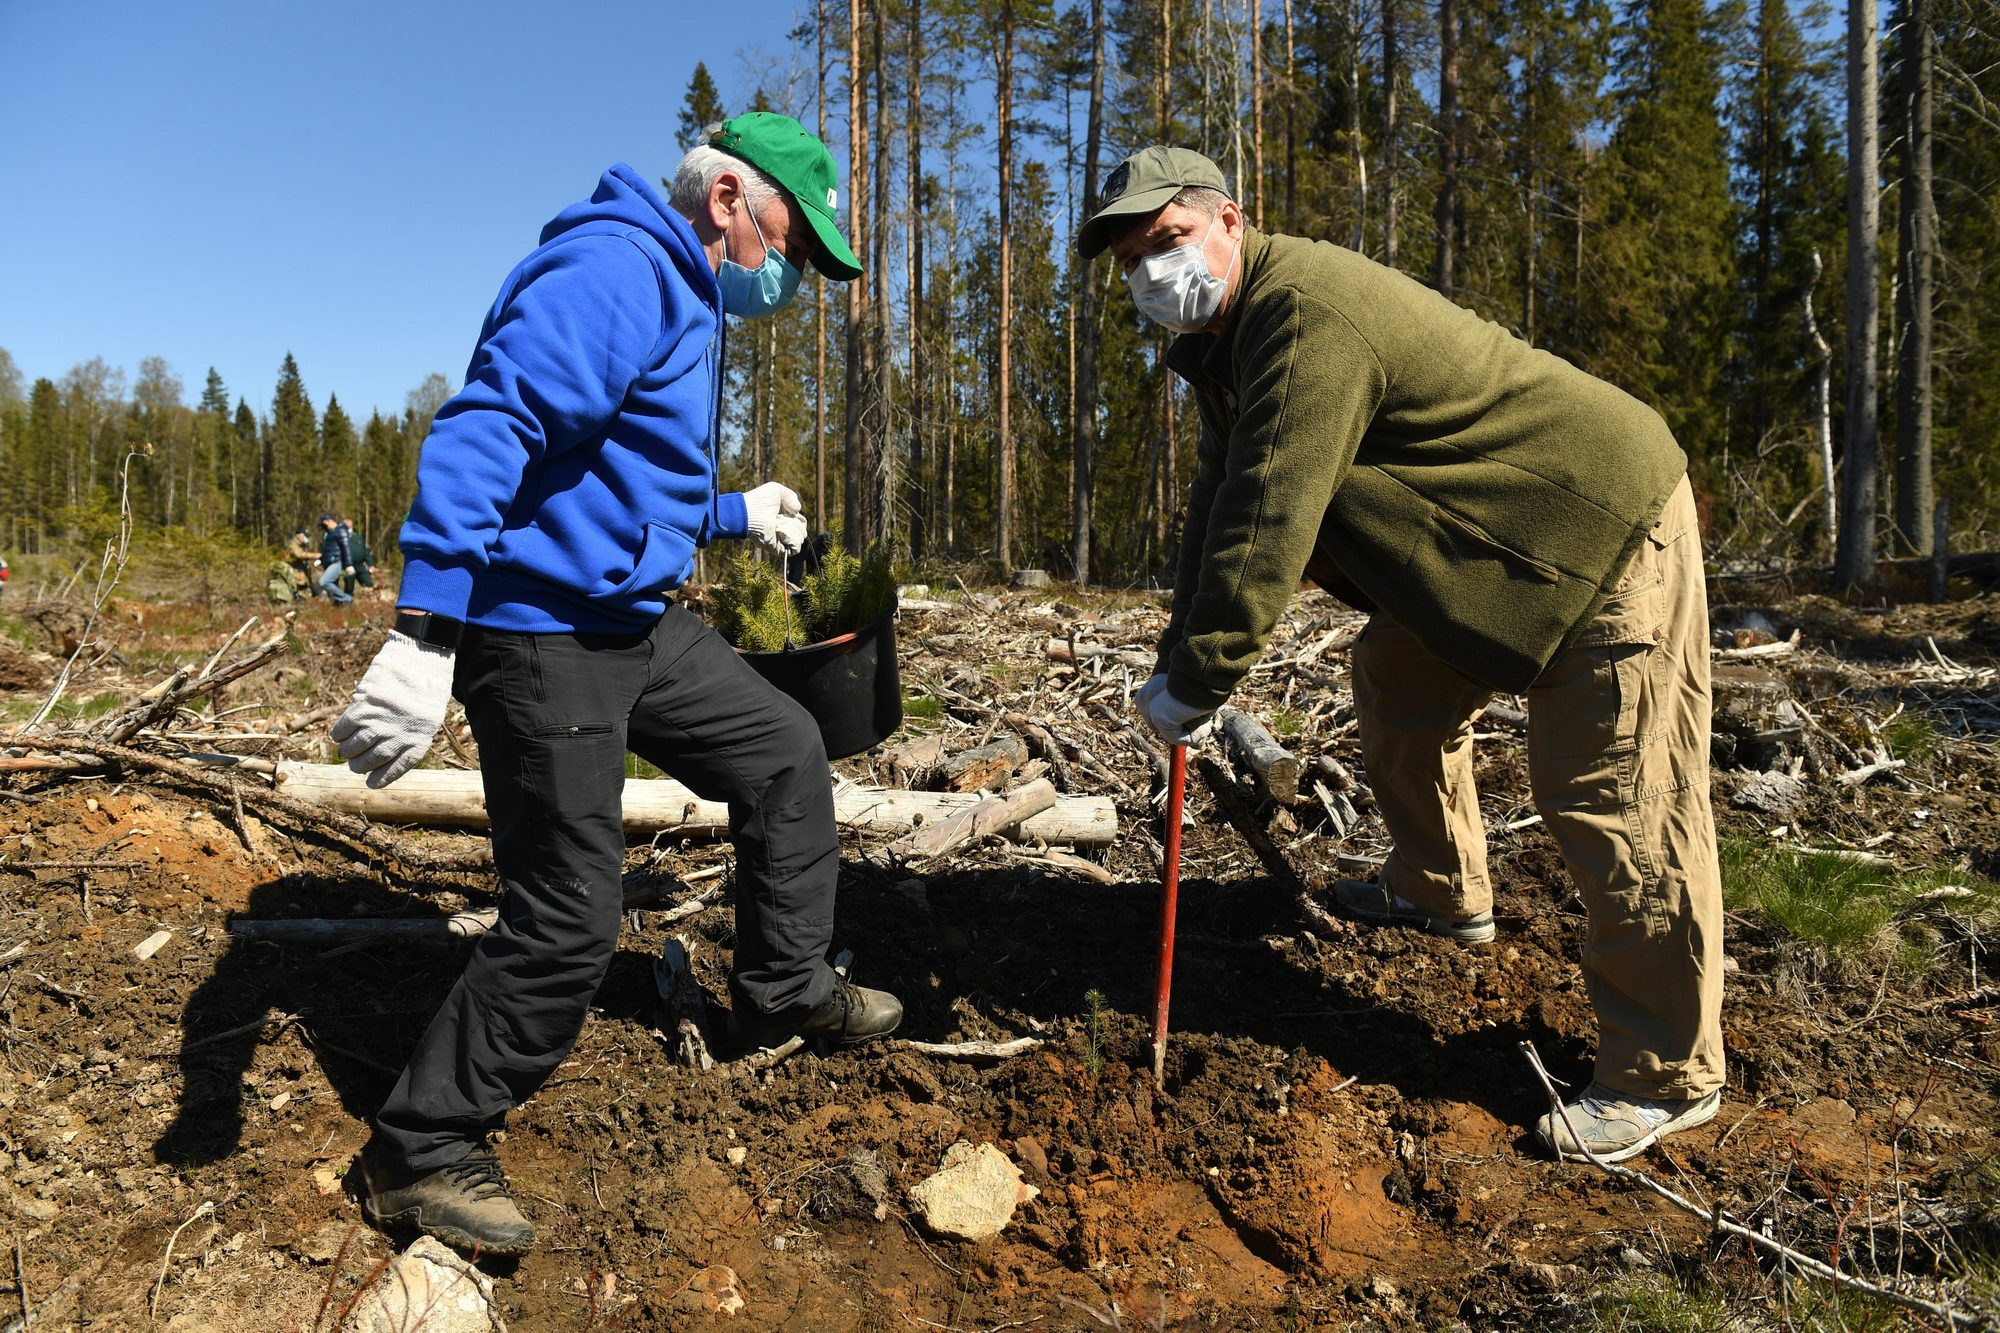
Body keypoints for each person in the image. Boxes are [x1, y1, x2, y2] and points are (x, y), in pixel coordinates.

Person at [328, 112, 903, 1258]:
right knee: (569, 918)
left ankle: (785, 985)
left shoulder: (681, 294)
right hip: (537, 633)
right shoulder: (612, 266)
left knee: (781, 750)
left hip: (627, 623)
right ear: (729, 200)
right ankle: (421, 1143)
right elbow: (494, 423)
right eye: (792, 244)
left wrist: (737, 512)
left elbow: (615, 471)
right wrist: (425, 628)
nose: (791, 274)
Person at [1082, 146, 1723, 1166]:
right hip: (1486, 557)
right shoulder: (1219, 348)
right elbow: (1213, 518)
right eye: (1127, 261)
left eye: (1165, 242)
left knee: (1612, 798)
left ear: (1229, 221)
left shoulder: (1304, 316)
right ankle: (1440, 889)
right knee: (1395, 678)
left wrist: (1202, 680)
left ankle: (1663, 1074)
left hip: (1595, 533)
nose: (1149, 273)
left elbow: (1269, 515)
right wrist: (1174, 665)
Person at [316, 513, 354, 606]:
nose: (323, 527)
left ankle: (347, 598)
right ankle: (338, 607)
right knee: (332, 587)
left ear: (328, 521)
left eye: (323, 524)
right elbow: (329, 550)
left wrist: (349, 564)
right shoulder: (329, 534)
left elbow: (346, 548)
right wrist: (321, 559)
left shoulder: (340, 531)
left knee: (324, 582)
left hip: (337, 562)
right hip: (329, 562)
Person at [339, 519, 375, 597]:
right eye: (346, 523)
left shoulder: (358, 536)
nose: (349, 524)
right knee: (349, 587)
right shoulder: (340, 536)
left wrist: (371, 564)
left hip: (360, 565)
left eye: (350, 523)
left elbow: (365, 552)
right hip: (348, 566)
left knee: (368, 583)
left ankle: (369, 603)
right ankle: (347, 603)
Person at [284, 529, 319, 597]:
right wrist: (315, 555)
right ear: (298, 535)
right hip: (293, 571)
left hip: (299, 570)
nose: (304, 538)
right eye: (303, 536)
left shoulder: (299, 546)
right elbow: (299, 554)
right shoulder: (292, 544)